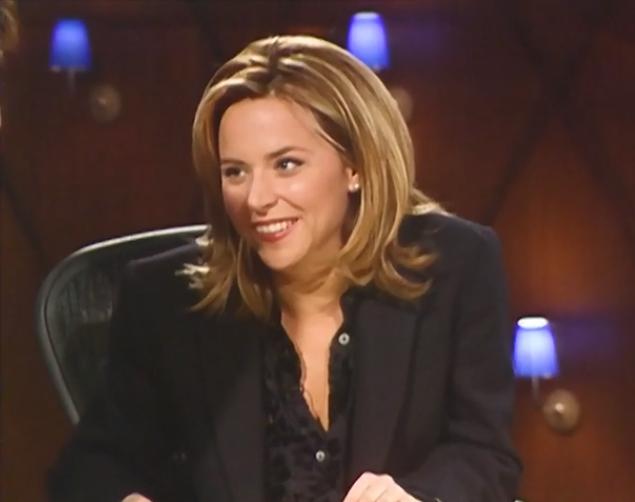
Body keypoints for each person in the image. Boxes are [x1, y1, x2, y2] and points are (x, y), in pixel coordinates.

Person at [48, 35, 521, 502]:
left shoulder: (456, 266)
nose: (256, 199)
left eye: (286, 165)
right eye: (235, 172)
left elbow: (484, 452)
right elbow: (89, 467)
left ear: (355, 166)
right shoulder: (164, 299)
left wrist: (419, 498)